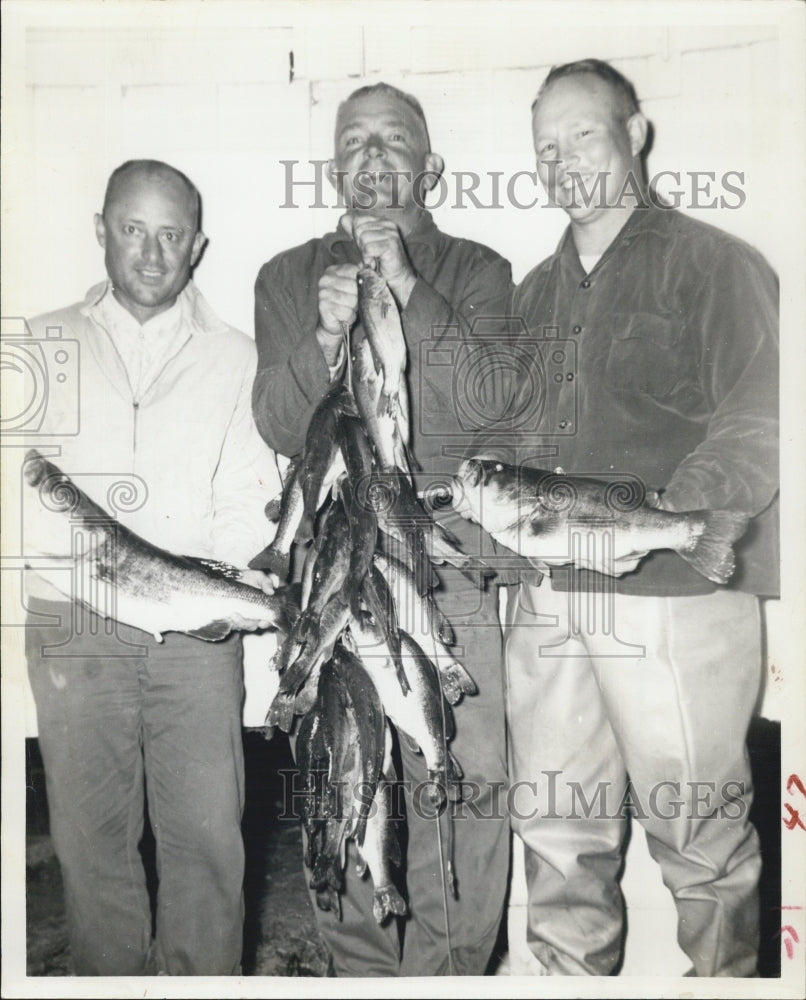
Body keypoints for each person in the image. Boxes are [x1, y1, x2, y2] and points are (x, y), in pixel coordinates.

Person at [493, 59, 779, 976]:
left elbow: (761, 418)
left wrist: (661, 521)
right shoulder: (533, 294)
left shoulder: (716, 264)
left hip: (675, 593)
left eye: (583, 134)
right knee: (554, 833)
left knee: (700, 843)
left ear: (636, 134)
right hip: (550, 602)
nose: (563, 160)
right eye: (546, 147)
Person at [252, 82, 513, 976]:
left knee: (457, 781)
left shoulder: (478, 270)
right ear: (333, 167)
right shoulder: (286, 276)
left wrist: (405, 286)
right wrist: (324, 339)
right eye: (354, 140)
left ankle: (449, 979)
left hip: (440, 562)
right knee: (343, 770)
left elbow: (485, 412)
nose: (372, 155)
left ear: (428, 167)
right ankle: (362, 977)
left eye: (393, 139)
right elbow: (279, 423)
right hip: (331, 566)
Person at [23, 159, 281, 975]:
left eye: (171, 235)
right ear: (101, 230)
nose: (151, 253)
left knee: (207, 843)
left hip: (196, 635)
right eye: (133, 230)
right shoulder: (38, 341)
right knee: (91, 842)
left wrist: (228, 582)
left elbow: (248, 491)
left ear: (197, 246)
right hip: (72, 628)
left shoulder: (237, 356)